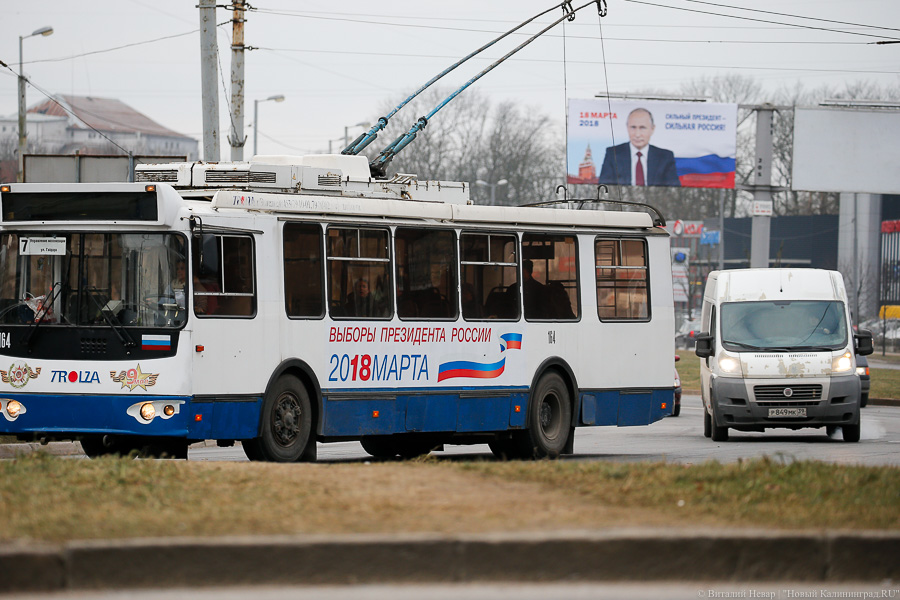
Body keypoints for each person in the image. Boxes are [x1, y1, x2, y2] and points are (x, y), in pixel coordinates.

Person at [598, 108, 681, 187]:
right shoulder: (613, 154)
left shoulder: (665, 157)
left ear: (652, 129)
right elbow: (604, 188)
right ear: (627, 127)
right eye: (633, 127)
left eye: (642, 128)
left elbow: (674, 191)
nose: (637, 134)